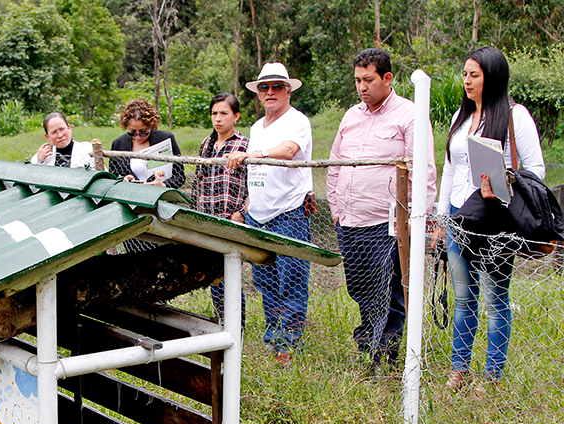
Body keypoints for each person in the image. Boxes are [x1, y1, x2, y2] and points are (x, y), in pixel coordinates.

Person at [435, 46, 545, 391]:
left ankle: (492, 375)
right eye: (465, 74)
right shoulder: (461, 116)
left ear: (492, 77)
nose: (467, 81)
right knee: (463, 295)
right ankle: (459, 369)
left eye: (475, 75)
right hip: (458, 216)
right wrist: (441, 217)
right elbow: (450, 168)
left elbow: (536, 169)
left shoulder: (516, 116)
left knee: (495, 298)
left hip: (495, 219)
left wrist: (503, 180)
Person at [326, 48, 437, 375]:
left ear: (387, 78)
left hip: (386, 224)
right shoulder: (351, 115)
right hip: (349, 221)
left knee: (388, 292)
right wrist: (335, 206)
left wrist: (416, 219)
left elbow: (425, 172)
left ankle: (383, 360)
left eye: (368, 80)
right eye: (358, 80)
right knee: (359, 289)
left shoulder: (410, 115)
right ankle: (367, 345)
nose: (361, 86)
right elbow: (334, 164)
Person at [226, 63, 315, 365]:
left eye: (277, 86)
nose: (270, 92)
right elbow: (255, 171)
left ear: (288, 90)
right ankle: (273, 340)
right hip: (258, 214)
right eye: (264, 87)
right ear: (258, 94)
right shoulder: (255, 127)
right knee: (265, 282)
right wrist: (248, 203)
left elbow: (288, 151)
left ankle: (289, 346)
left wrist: (253, 154)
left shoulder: (297, 121)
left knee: (291, 279)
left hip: (288, 212)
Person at [192, 92, 249, 324]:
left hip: (230, 217)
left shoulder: (244, 145)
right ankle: (222, 320)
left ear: (236, 116)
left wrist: (242, 212)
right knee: (214, 275)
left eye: (224, 113)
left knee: (231, 273)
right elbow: (198, 180)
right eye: (214, 113)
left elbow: (253, 183)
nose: (218, 119)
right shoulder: (206, 144)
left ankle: (237, 324)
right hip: (207, 217)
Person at [109, 98, 185, 189]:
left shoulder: (165, 139)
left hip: (161, 198)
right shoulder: (118, 144)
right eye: (132, 132)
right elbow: (113, 178)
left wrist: (163, 185)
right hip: (131, 197)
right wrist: (123, 180)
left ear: (151, 126)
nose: (138, 136)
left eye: (143, 132)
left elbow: (179, 176)